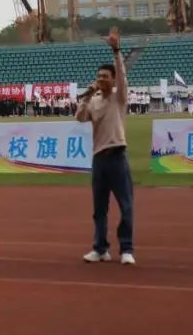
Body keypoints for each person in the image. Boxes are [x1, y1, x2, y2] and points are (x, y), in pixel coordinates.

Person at [77, 27, 134, 266]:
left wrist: (116, 50)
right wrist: (87, 96)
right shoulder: (95, 101)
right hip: (99, 159)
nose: (101, 79)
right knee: (99, 209)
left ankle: (127, 249)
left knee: (126, 206)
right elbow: (80, 117)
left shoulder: (119, 97)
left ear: (112, 79)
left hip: (117, 156)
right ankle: (100, 248)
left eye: (105, 77)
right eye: (98, 76)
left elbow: (121, 73)